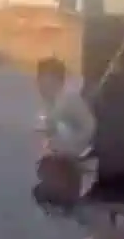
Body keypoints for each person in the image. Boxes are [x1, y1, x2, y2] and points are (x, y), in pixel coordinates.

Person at [32, 56, 96, 210]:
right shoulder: (50, 104)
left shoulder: (70, 101)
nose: (40, 86)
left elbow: (90, 127)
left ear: (58, 81)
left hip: (71, 164)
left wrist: (72, 148)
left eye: (45, 81)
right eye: (39, 80)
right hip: (58, 161)